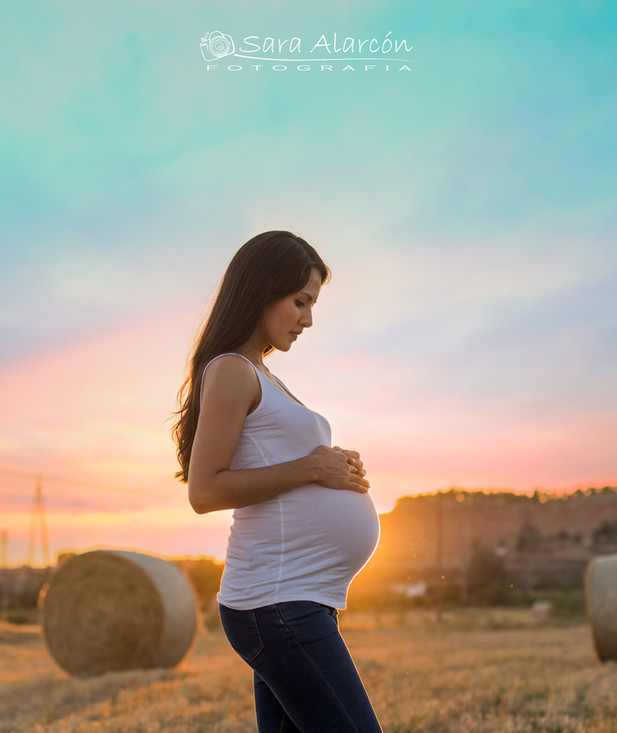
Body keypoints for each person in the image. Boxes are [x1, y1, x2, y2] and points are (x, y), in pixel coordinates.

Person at [172, 230, 382, 732]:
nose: (307, 320)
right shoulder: (231, 370)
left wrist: (331, 464)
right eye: (300, 302)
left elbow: (278, 459)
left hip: (293, 601)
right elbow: (205, 491)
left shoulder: (262, 373)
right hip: (278, 602)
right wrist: (313, 467)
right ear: (262, 291)